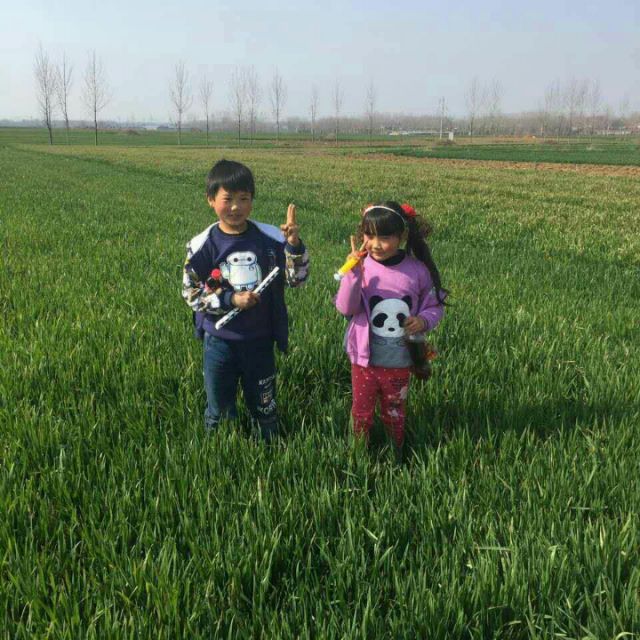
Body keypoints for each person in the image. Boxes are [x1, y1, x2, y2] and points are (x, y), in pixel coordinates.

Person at [182, 159, 309, 440]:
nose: (236, 207)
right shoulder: (201, 245)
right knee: (219, 408)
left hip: (260, 341)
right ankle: (219, 449)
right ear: (210, 200)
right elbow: (191, 293)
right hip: (219, 341)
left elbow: (296, 279)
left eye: (244, 199)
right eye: (227, 199)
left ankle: (269, 443)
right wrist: (230, 299)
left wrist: (293, 246)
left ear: (252, 200)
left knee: (264, 405)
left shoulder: (271, 239)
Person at [334, 201, 446, 461]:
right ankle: (359, 455)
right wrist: (353, 275)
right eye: (369, 235)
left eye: (385, 238)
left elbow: (435, 305)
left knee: (395, 412)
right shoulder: (360, 267)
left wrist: (423, 320)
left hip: (400, 361)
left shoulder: (417, 271)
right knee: (361, 413)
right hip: (364, 361)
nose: (375, 244)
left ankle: (395, 453)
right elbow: (346, 307)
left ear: (402, 236)